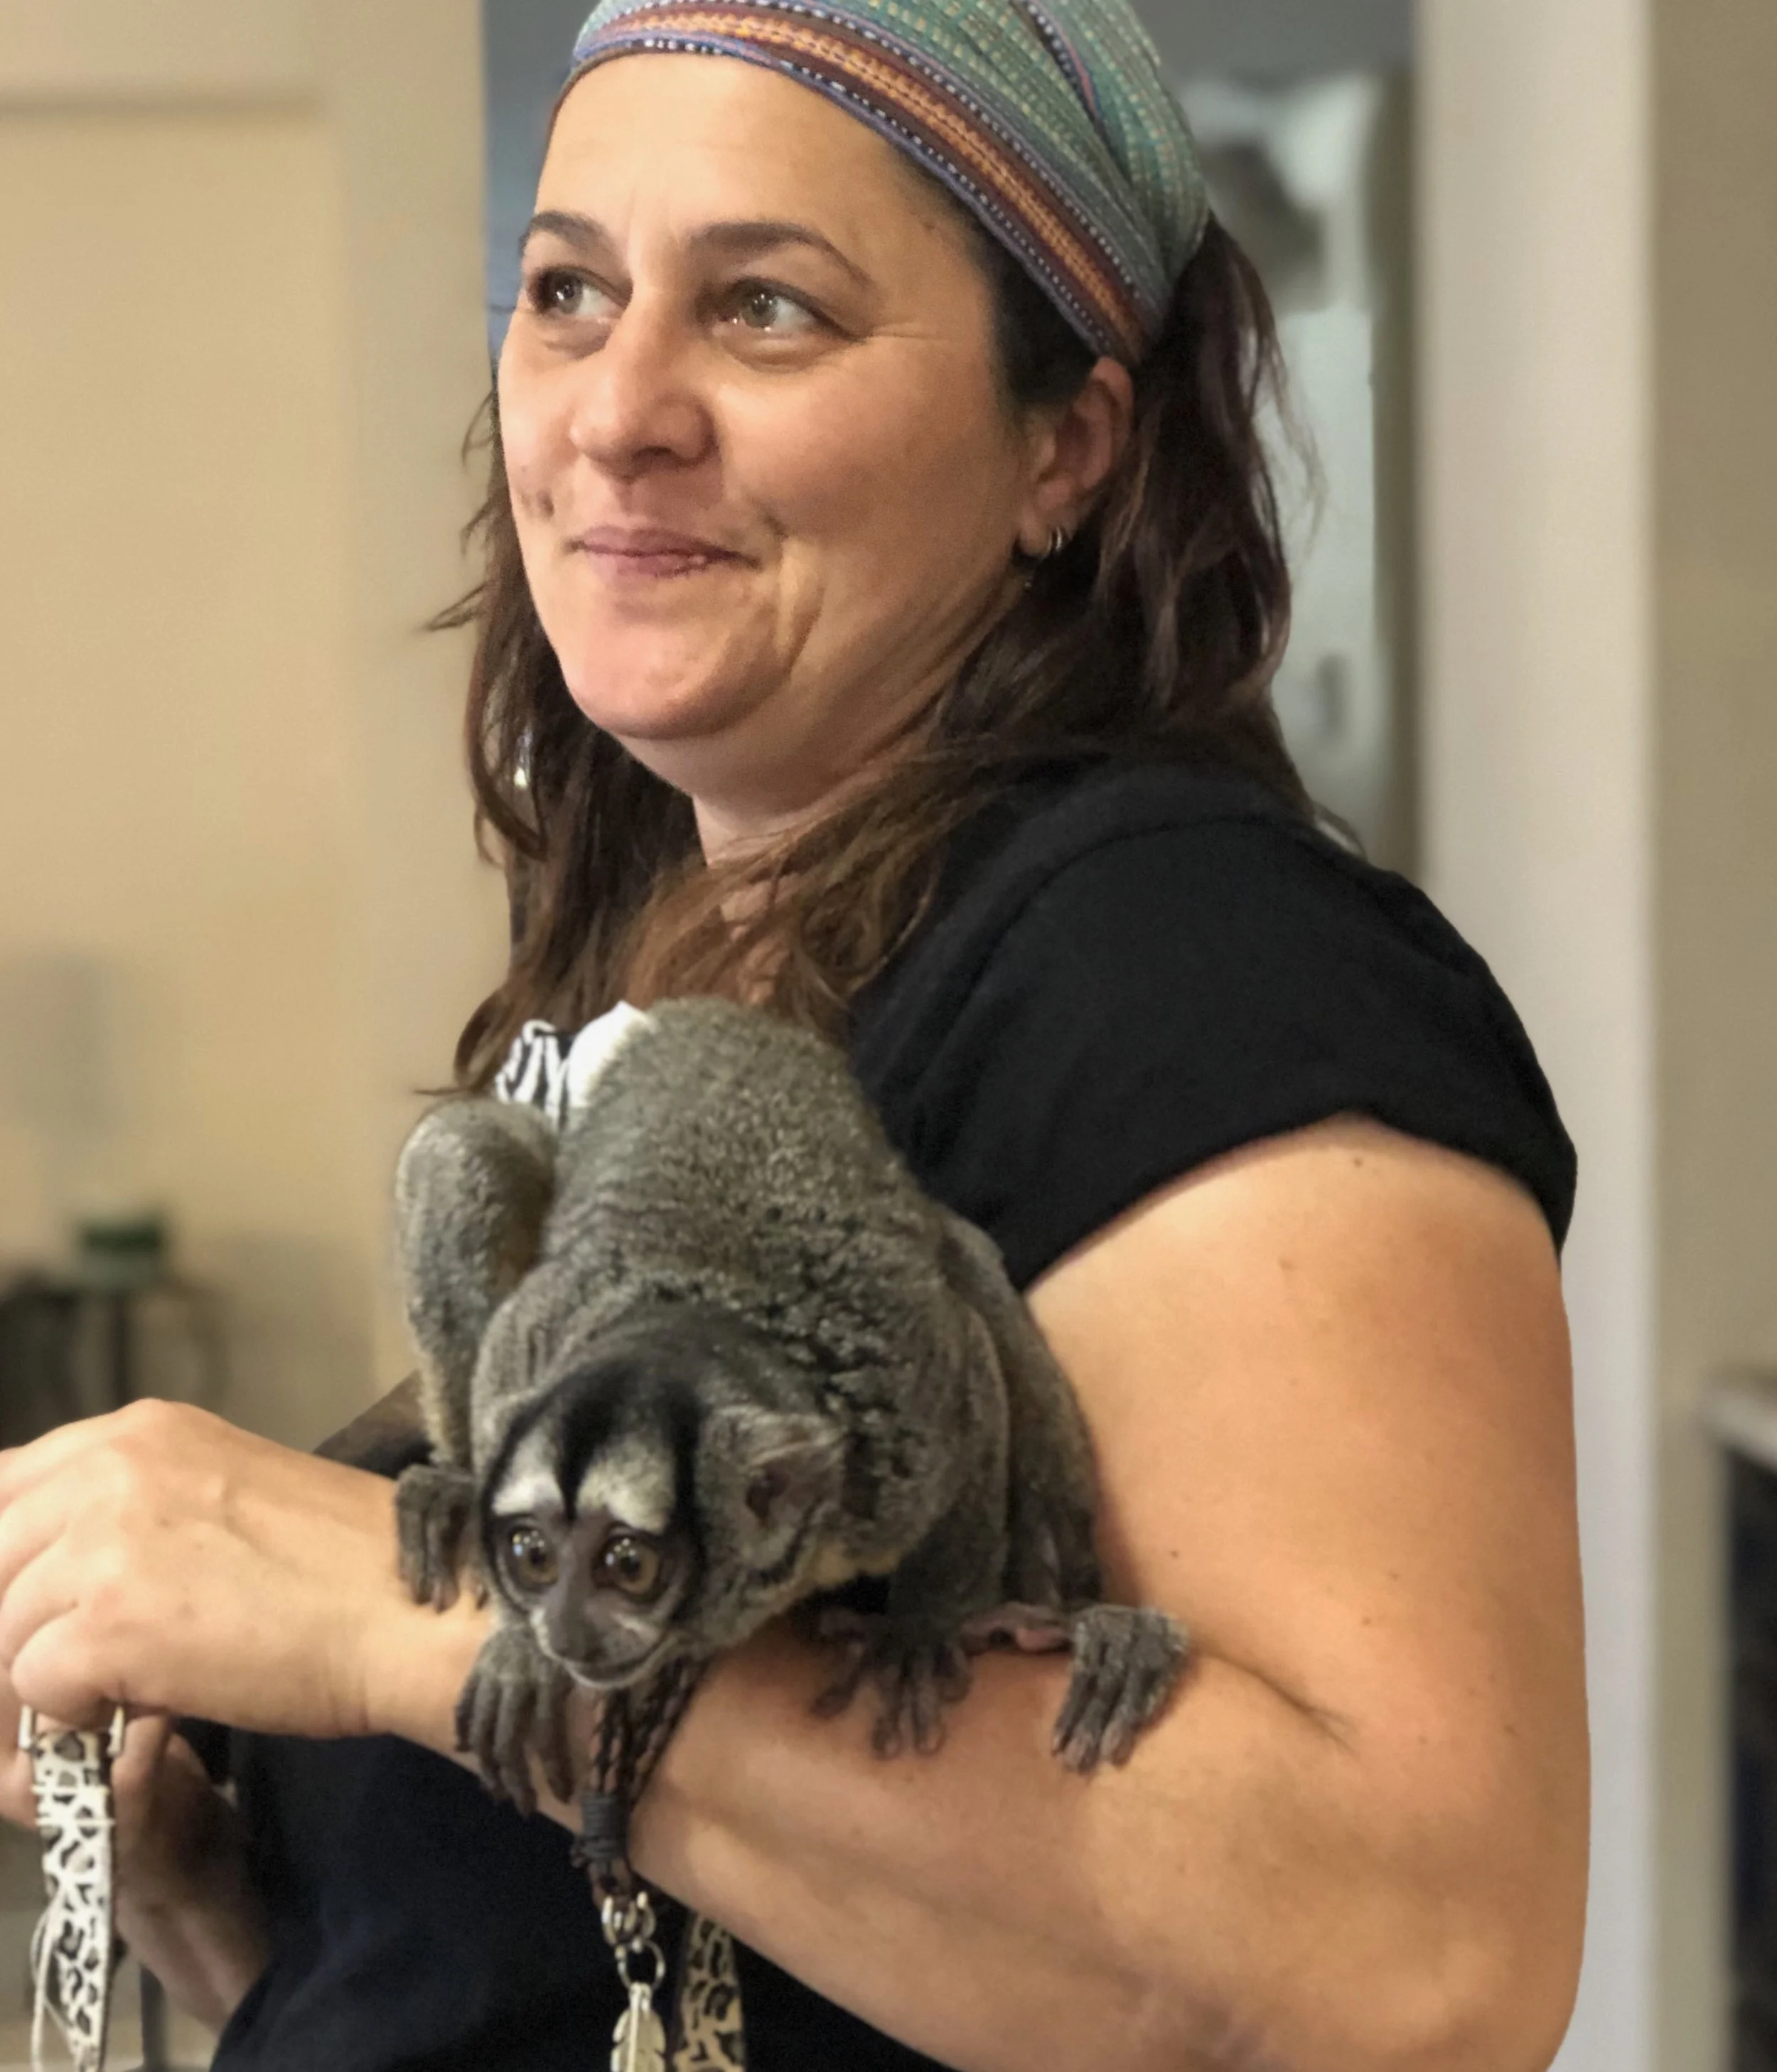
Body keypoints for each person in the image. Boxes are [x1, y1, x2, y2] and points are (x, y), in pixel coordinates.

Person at [0, 0, 1590, 2065]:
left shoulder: (1194, 962)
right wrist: (233, 1908)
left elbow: (1415, 1959)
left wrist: (371, 1600)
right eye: (567, 291)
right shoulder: (666, 997)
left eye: (765, 309)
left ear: (1065, 447)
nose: (618, 407)